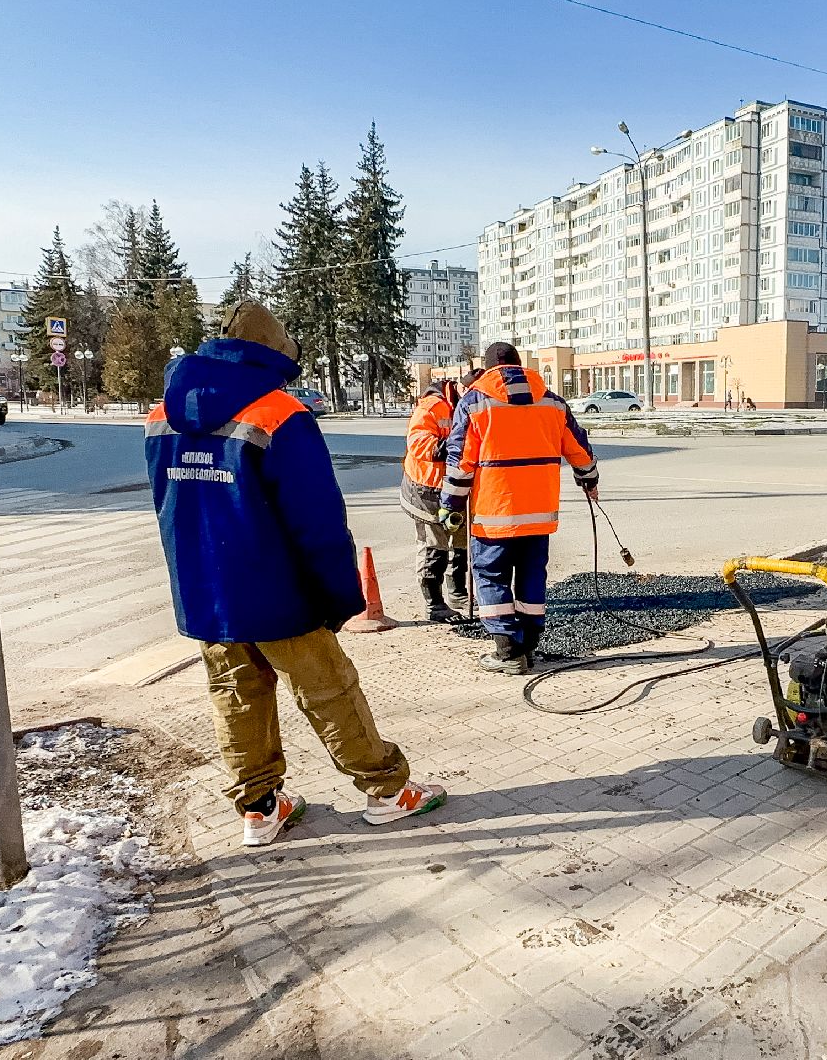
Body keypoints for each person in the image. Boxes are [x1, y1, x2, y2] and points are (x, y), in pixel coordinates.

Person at [144, 300, 445, 846]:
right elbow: (317, 520)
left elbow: (168, 501)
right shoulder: (279, 413)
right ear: (275, 351)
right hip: (279, 590)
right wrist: (340, 595)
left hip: (206, 591)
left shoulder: (161, 412)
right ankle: (386, 791)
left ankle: (259, 809)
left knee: (236, 695)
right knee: (329, 690)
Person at [438, 342, 599, 674]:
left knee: (491, 575)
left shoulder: (475, 403)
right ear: (519, 366)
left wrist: (450, 503)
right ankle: (528, 645)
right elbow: (578, 448)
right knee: (531, 574)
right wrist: (589, 479)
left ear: (488, 369)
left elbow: (461, 463)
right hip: (539, 514)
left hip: (494, 513)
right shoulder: (552, 402)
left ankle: (508, 652)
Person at [401, 370, 478, 621]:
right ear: (463, 390)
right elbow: (418, 443)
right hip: (427, 490)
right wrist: (452, 447)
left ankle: (458, 592)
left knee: (461, 541)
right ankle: (434, 603)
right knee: (434, 545)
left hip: (456, 487)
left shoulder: (476, 405)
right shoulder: (432, 407)